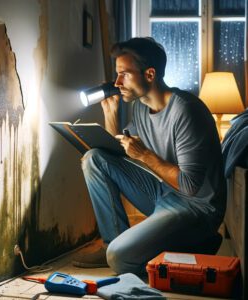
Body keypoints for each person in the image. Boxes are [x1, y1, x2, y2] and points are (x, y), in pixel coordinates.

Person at [73, 37, 227, 275]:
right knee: (95, 158)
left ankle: (195, 245)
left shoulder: (186, 110)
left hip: (197, 208)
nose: (117, 82)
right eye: (117, 74)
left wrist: (144, 154)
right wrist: (111, 114)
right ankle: (110, 243)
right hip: (163, 192)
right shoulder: (141, 107)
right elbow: (119, 156)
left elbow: (190, 186)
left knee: (120, 259)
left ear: (150, 74)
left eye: (124, 73)